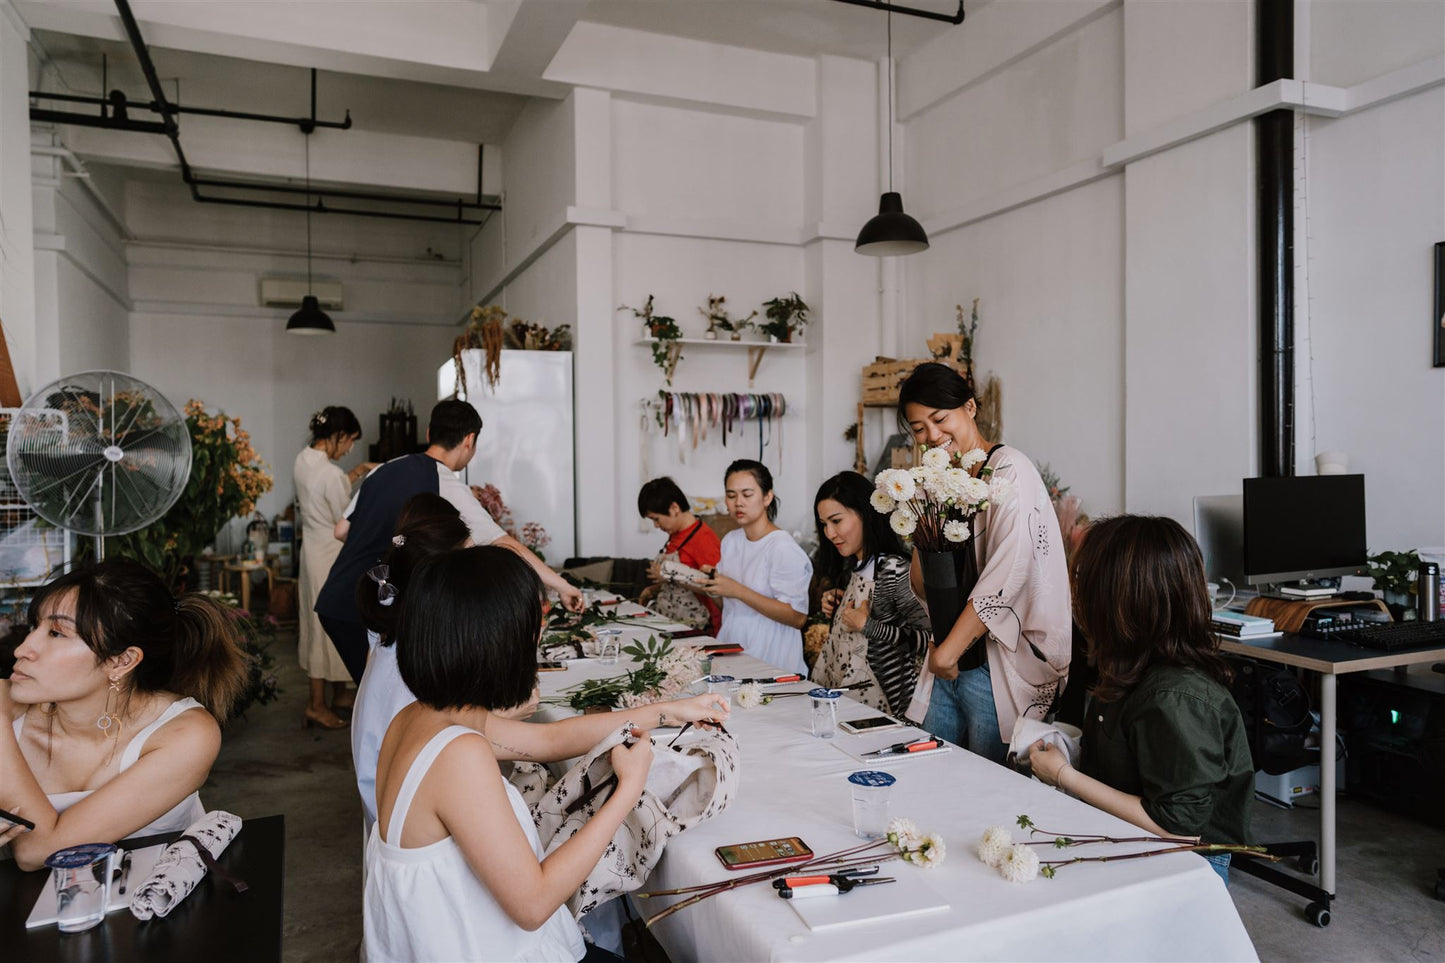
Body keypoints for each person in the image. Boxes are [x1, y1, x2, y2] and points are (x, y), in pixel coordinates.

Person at [363, 545, 729, 962]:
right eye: (533, 629)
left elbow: (548, 742)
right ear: (502, 642)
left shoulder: (419, 717)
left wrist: (667, 711)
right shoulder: (459, 753)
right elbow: (533, 905)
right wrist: (628, 789)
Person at [1029, 515, 1253, 885]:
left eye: (1085, 582)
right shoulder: (1124, 664)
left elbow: (1178, 830)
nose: (1075, 594)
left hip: (1185, 865)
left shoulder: (1175, 698)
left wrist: (1063, 775)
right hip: (1126, 835)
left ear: (1120, 597)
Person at [0, 559, 247, 870]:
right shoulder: (13, 711)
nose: (23, 648)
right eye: (35, 626)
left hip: (163, 907)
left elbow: (38, 851)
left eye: (57, 633)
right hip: (30, 910)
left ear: (121, 661)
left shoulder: (186, 734)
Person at [316, 399, 583, 682]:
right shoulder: (444, 482)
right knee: (388, 701)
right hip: (370, 609)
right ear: (469, 440)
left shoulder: (385, 468)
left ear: (430, 433)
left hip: (336, 598)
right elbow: (503, 544)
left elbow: (342, 530)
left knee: (377, 693)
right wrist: (563, 586)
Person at [898, 363, 1070, 763]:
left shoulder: (1009, 471)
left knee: (990, 789)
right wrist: (925, 507)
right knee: (934, 772)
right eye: (919, 428)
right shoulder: (937, 480)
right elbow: (923, 582)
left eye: (940, 419)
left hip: (996, 665)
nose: (932, 436)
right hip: (950, 655)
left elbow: (1009, 574)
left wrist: (946, 653)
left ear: (970, 407)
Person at [351, 493, 471, 828]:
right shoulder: (417, 663)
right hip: (400, 811)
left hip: (386, 799)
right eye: (466, 561)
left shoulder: (393, 628)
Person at [812, 471, 932, 717]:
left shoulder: (894, 571)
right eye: (824, 524)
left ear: (865, 515)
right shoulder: (851, 566)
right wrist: (838, 606)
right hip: (844, 704)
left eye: (836, 521)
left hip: (883, 711)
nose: (830, 533)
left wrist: (868, 626)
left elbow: (929, 641)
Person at [294, 405, 374, 729]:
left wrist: (356, 471)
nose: (350, 448)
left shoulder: (304, 459)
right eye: (350, 440)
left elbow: (325, 488)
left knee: (318, 624)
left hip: (310, 550)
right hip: (331, 553)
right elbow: (345, 517)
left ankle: (340, 694)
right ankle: (316, 705)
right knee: (331, 625)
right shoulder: (329, 475)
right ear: (338, 436)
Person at [699, 460, 811, 676]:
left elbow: (797, 617)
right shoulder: (731, 541)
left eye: (747, 494)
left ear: (767, 497)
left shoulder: (782, 547)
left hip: (774, 656)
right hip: (732, 646)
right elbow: (729, 606)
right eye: (731, 496)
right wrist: (712, 586)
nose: (738, 502)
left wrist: (737, 590)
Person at [636, 477, 721, 634]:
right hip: (671, 621)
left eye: (656, 519)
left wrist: (670, 576)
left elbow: (715, 587)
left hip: (696, 626)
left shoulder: (704, 539)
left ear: (674, 508)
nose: (656, 525)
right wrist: (654, 589)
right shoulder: (675, 535)